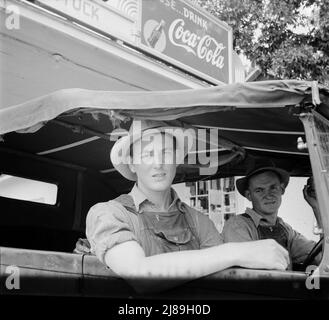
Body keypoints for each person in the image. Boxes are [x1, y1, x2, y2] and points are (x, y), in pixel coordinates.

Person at [80, 120, 289, 293]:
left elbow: (223, 284)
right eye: (147, 155)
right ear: (132, 164)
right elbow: (139, 275)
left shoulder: (199, 221)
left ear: (177, 160)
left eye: (166, 153)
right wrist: (238, 252)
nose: (158, 163)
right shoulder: (109, 213)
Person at [221, 158, 323, 269]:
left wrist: (316, 207)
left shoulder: (285, 230)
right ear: (249, 196)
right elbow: (247, 276)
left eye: (273, 187)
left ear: (282, 190)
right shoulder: (238, 225)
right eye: (259, 190)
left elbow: (321, 256)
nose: (268, 195)